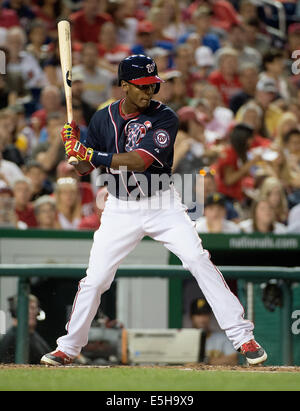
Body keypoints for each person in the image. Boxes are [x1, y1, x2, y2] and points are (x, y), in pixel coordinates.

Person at [40, 54, 267, 367]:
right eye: (142, 86)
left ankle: (243, 337)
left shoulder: (165, 117)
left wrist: (90, 152)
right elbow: (82, 168)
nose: (149, 93)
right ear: (123, 86)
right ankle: (67, 347)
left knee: (197, 260)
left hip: (161, 203)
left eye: (153, 85)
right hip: (119, 207)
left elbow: (139, 160)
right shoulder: (102, 118)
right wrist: (73, 149)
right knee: (96, 280)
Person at [0, 294, 51, 364]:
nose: (32, 312)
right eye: (27, 309)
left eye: (33, 308)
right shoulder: (12, 338)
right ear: (15, 312)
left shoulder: (32, 335)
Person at [190, 297, 239, 365]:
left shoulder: (221, 338)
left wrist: (205, 361)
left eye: (205, 315)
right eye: (198, 315)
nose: (202, 319)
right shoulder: (184, 339)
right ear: (191, 317)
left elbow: (234, 360)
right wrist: (218, 360)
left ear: (210, 316)